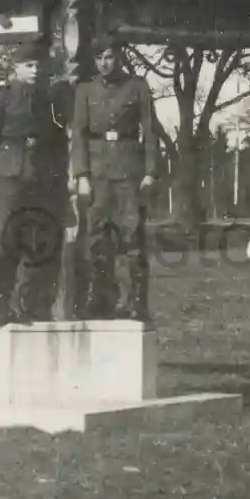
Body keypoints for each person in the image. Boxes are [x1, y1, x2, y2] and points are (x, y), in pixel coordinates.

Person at [0, 43, 69, 327]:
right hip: (8, 176)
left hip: (40, 179)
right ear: (14, 68)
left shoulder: (49, 100)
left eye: (38, 66)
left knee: (36, 244)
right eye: (28, 65)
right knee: (1, 243)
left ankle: (30, 306)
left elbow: (57, 142)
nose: (35, 70)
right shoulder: (0, 97)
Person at [70, 46, 157, 321]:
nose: (104, 63)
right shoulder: (85, 90)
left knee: (132, 236)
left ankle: (137, 303)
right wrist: (82, 175)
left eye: (109, 57)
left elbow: (151, 131)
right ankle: (102, 300)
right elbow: (79, 135)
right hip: (97, 173)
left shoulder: (137, 87)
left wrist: (150, 172)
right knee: (96, 238)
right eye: (98, 58)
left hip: (128, 169)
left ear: (118, 59)